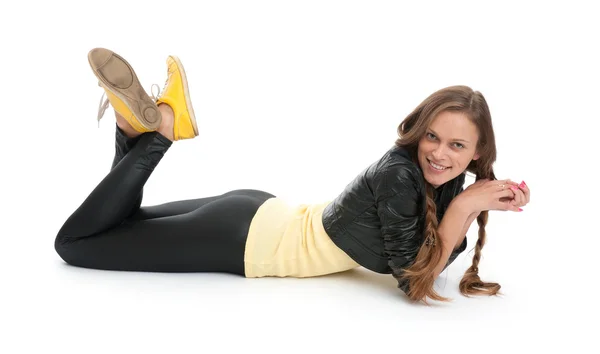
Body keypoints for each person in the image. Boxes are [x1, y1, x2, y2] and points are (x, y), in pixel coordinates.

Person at [54, 48, 531, 305]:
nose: (439, 152)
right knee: (75, 244)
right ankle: (159, 134)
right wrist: (468, 206)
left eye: (456, 146)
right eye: (432, 136)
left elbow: (426, 251)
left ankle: (131, 127)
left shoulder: (424, 178)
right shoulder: (402, 177)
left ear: (476, 154)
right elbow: (415, 281)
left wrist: (470, 200)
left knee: (121, 222)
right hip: (244, 240)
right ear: (418, 128)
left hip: (257, 214)